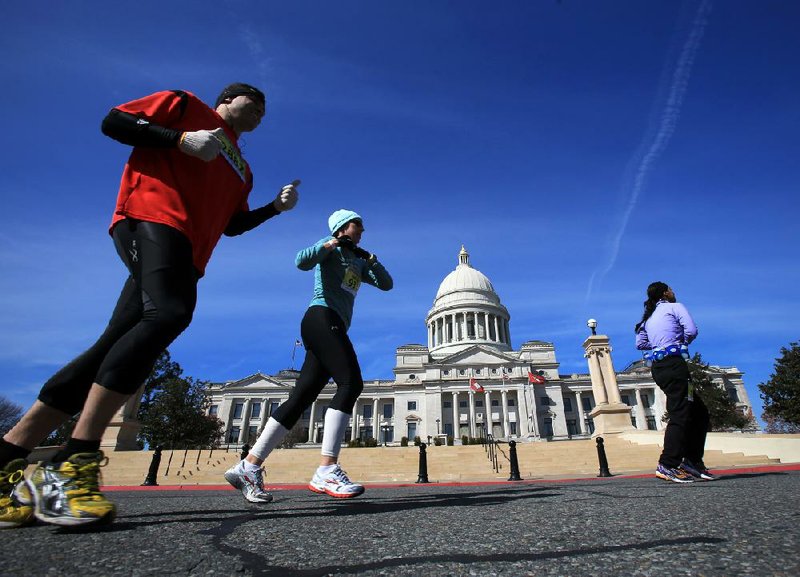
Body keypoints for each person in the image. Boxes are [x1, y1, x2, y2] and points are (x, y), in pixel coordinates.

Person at [0, 83, 299, 528]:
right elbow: (114, 121)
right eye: (252, 105)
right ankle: (72, 461)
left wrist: (273, 208)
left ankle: (10, 453)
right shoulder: (185, 105)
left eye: (263, 113)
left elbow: (234, 224)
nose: (258, 115)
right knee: (171, 313)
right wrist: (179, 138)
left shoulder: (243, 168)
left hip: (189, 254)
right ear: (227, 99)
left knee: (110, 347)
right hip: (152, 219)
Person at [224, 209, 393, 502]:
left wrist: (372, 261)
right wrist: (329, 244)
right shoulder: (330, 248)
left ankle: (249, 465)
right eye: (357, 225)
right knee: (351, 383)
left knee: (302, 397)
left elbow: (387, 284)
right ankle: (327, 468)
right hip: (320, 316)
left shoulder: (357, 261)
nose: (363, 230)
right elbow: (301, 261)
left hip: (335, 323)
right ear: (342, 228)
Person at [635, 281, 715, 484]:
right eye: (671, 289)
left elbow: (640, 344)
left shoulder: (648, 319)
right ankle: (668, 463)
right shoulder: (675, 307)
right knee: (681, 413)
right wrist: (679, 342)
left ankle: (692, 461)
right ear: (665, 292)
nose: (673, 291)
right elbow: (692, 330)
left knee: (699, 413)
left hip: (659, 368)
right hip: (675, 364)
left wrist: (658, 344)